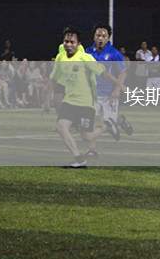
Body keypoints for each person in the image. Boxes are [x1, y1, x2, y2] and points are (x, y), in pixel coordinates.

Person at [50, 27, 120, 168]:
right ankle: (79, 159)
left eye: (72, 42)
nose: (69, 44)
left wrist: (119, 85)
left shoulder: (85, 58)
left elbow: (103, 73)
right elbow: (55, 79)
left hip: (85, 103)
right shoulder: (60, 57)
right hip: (69, 101)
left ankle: (107, 126)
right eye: (66, 41)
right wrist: (50, 97)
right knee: (61, 127)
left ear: (78, 44)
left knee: (86, 137)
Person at [84, 24, 132, 157]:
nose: (100, 38)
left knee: (108, 122)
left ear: (108, 38)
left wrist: (116, 90)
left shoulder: (114, 53)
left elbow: (123, 73)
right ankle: (92, 150)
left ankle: (118, 121)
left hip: (109, 95)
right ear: (94, 36)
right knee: (91, 123)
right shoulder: (87, 52)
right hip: (92, 94)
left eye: (104, 36)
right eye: (98, 35)